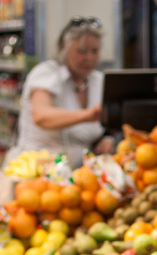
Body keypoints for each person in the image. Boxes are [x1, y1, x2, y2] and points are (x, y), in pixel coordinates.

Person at [12, 17, 114, 164]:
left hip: (80, 175)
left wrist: (105, 141)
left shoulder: (98, 81)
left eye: (95, 51)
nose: (89, 58)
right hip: (39, 172)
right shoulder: (47, 73)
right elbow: (41, 116)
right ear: (63, 49)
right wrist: (87, 115)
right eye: (81, 51)